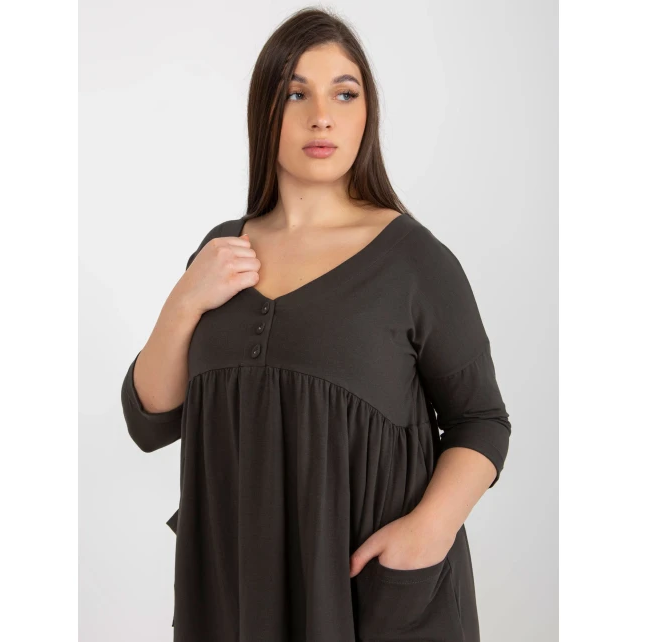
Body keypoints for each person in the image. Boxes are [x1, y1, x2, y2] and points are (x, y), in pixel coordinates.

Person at [120, 8, 511, 641]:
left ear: (366, 114)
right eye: (295, 93)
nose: (321, 116)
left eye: (344, 93)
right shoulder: (221, 253)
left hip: (368, 601)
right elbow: (149, 421)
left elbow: (482, 420)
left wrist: (427, 531)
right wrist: (184, 300)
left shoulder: (415, 261)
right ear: (265, 111)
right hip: (236, 598)